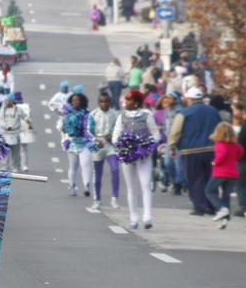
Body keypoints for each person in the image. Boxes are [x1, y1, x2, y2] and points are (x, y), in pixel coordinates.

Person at [168, 88, 220, 216]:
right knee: (210, 178)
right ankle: (212, 205)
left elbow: (175, 132)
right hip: (212, 149)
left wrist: (172, 146)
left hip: (191, 150)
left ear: (189, 99)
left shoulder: (184, 113)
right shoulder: (213, 111)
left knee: (195, 179)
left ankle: (199, 206)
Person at [113, 89, 159, 229]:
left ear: (136, 103)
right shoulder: (121, 116)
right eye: (125, 100)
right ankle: (134, 218)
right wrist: (122, 144)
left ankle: (147, 216)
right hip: (127, 155)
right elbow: (116, 134)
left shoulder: (147, 115)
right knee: (131, 187)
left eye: (128, 100)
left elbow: (155, 135)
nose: (125, 102)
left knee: (145, 185)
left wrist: (146, 144)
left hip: (143, 156)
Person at [205, 122, 244, 229]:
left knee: (209, 190)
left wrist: (215, 162)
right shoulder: (235, 145)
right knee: (226, 196)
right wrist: (235, 159)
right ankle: (224, 220)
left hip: (220, 172)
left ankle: (221, 209)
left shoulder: (219, 145)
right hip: (232, 173)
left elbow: (222, 154)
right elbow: (241, 151)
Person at [89, 92, 120, 210]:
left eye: (106, 101)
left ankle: (114, 198)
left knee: (115, 169)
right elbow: (88, 132)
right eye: (101, 101)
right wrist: (95, 139)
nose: (104, 104)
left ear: (110, 102)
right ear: (98, 102)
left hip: (110, 145)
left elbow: (120, 130)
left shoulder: (115, 114)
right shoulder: (93, 114)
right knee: (97, 174)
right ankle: (97, 200)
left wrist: (113, 136)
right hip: (98, 145)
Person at [0, 94, 28, 172]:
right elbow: (0, 120)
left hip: (15, 133)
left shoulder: (18, 109)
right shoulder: (3, 110)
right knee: (4, 151)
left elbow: (25, 117)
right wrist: (7, 126)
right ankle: (4, 166)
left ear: (11, 102)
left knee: (15, 152)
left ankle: (15, 167)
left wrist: (28, 122)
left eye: (7, 101)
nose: (5, 102)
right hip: (5, 133)